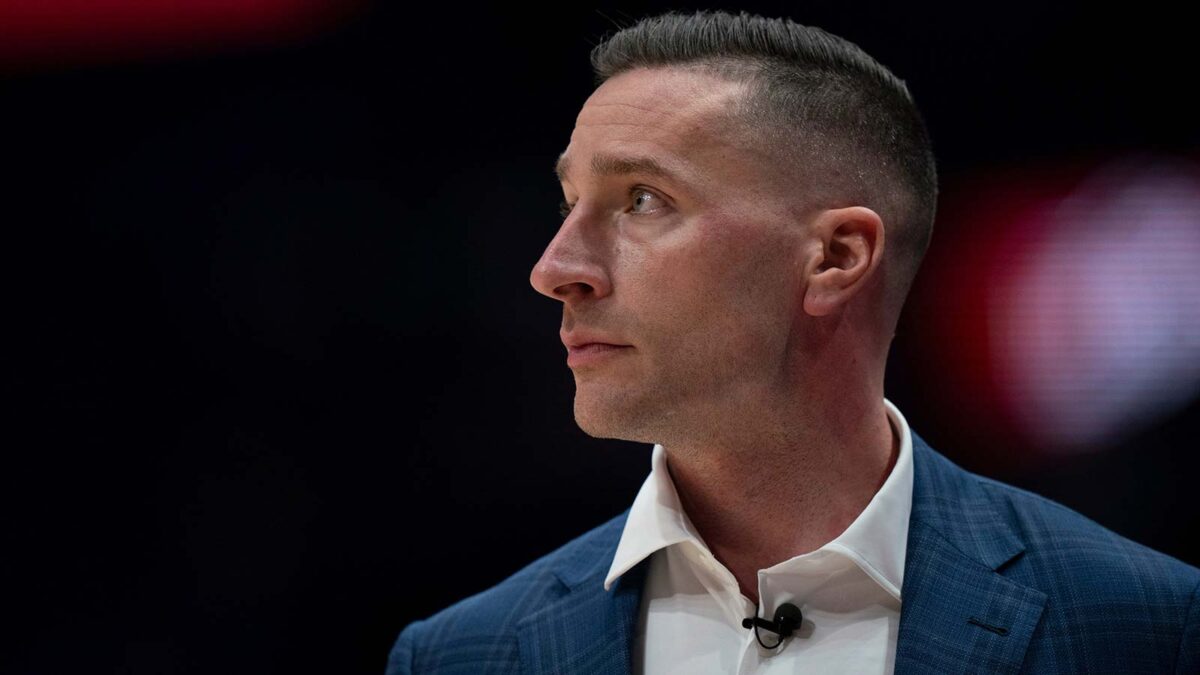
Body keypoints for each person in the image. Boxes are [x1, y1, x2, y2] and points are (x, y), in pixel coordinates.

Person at [386, 10, 1200, 674]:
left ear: (836, 257)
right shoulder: (460, 655)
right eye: (569, 204)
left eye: (641, 199)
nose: (554, 268)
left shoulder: (1148, 628)